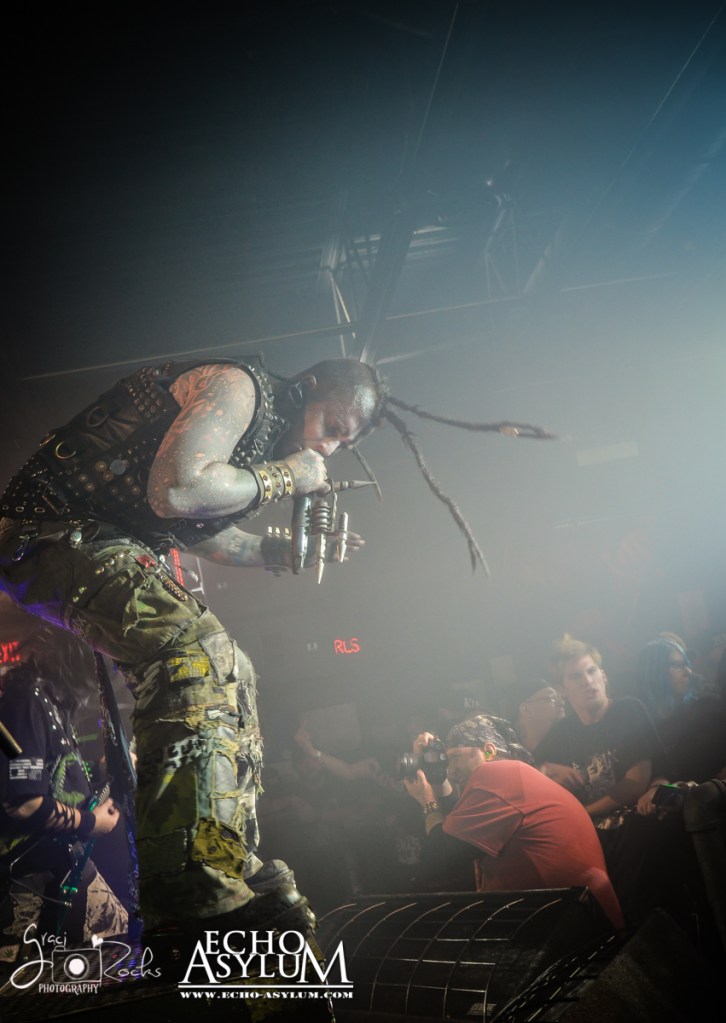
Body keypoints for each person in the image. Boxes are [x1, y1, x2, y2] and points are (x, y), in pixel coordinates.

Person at [0, 355, 388, 944]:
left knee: (235, 671)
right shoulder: (236, 386)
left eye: (343, 442)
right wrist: (287, 475)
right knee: (193, 652)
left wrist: (278, 552)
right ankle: (184, 883)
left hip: (96, 541)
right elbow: (178, 490)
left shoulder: (256, 432)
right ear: (305, 389)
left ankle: (221, 860)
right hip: (53, 536)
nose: (328, 449)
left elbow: (200, 528)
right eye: (331, 426)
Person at [402, 715, 624, 931]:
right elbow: (459, 833)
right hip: (580, 916)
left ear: (488, 751)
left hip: (573, 921)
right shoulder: (513, 776)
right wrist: (438, 783)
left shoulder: (494, 775)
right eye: (447, 760)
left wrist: (427, 800)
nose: (450, 770)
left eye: (456, 757)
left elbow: (441, 857)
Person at [534, 633, 691, 930]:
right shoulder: (562, 732)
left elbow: (634, 784)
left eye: (592, 671)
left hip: (638, 824)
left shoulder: (627, 710)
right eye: (576, 676)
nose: (587, 681)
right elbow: (526, 776)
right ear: (563, 689)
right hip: (593, 838)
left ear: (604, 675)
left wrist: (581, 814)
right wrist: (545, 769)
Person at [0, 628, 128, 964]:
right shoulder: (25, 698)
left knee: (116, 944)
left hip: (63, 862)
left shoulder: (51, 699)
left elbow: (52, 776)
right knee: (21, 981)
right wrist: (89, 822)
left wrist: (99, 770)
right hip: (28, 875)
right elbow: (23, 803)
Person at [508, 677, 565, 755]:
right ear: (526, 710)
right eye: (551, 698)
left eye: (559, 698)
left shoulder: (570, 749)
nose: (561, 703)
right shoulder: (507, 756)